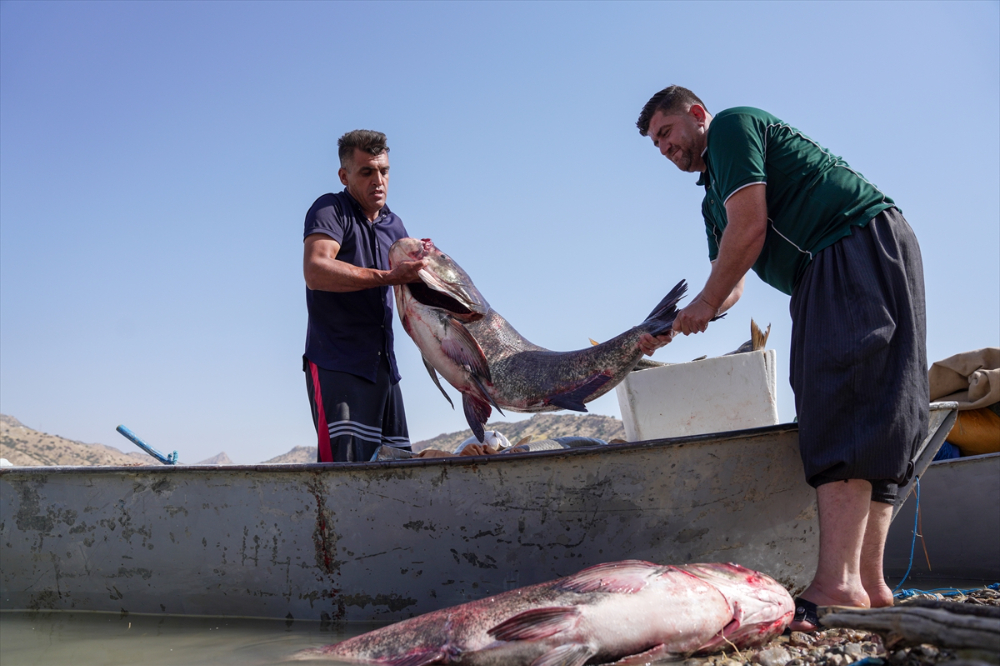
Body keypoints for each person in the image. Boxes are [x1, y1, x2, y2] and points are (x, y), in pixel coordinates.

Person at [635, 86, 928, 632]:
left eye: (667, 132)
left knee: (837, 401)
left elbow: (750, 230)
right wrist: (674, 323)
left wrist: (701, 302)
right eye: (655, 143)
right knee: (886, 408)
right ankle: (870, 586)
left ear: (697, 115)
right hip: (877, 244)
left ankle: (836, 587)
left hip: (842, 247)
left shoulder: (730, 127)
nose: (664, 148)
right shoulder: (710, 199)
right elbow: (734, 284)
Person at [302, 129, 426, 463]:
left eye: (384, 171)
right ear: (345, 176)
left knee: (399, 477)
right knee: (345, 479)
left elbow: (414, 297)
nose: (378, 180)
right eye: (366, 172)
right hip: (337, 363)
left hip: (384, 370)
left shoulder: (395, 226)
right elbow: (315, 270)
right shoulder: (331, 209)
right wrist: (387, 277)